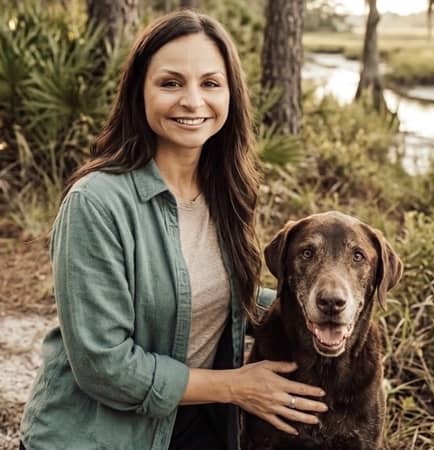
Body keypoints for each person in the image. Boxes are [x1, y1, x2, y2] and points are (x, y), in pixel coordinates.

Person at [19, 10, 327, 450]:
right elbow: (104, 365)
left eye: (210, 83)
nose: (192, 101)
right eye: (170, 83)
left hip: (194, 425)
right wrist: (236, 386)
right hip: (99, 436)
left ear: (231, 94)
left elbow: (219, 297)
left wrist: (316, 302)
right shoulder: (96, 203)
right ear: (139, 92)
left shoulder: (226, 191)